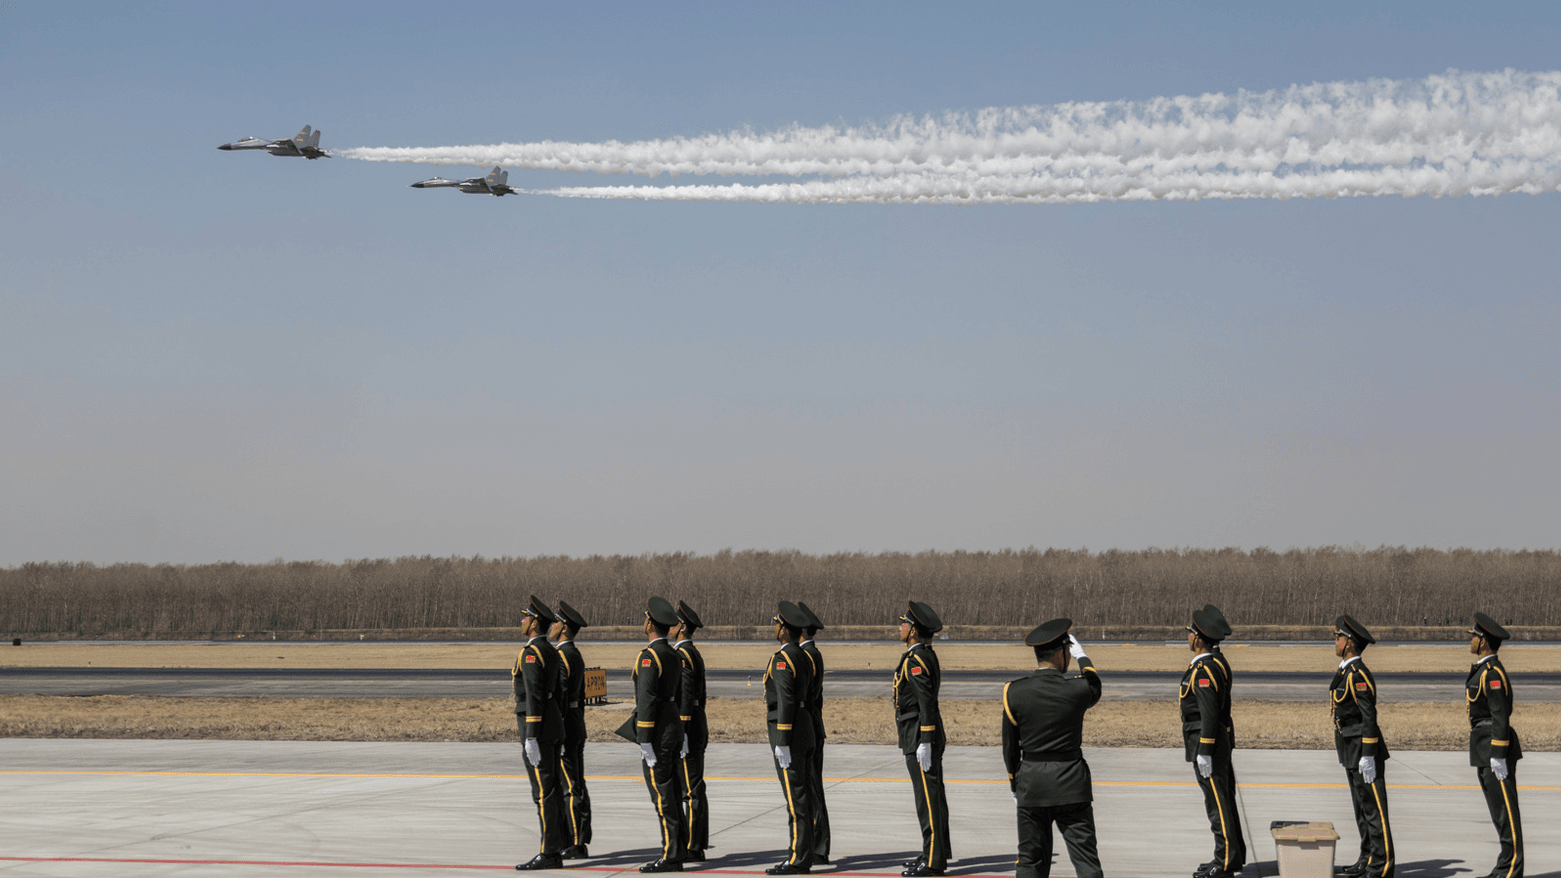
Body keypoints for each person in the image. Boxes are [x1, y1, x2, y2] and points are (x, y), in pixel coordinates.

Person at [1001, 618, 1103, 878]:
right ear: (1061, 654)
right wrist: (1083, 657)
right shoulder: (1077, 689)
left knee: (1030, 862)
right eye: (1068, 652)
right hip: (1071, 785)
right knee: (1086, 862)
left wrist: (1015, 782)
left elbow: (1010, 747)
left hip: (1032, 785)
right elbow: (1095, 685)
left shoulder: (1014, 692)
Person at [624, 597, 687, 873]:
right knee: (673, 791)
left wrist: (645, 739)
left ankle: (671, 855)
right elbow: (680, 696)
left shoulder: (649, 657)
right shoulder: (674, 654)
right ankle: (678, 848)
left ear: (650, 622)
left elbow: (647, 699)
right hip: (673, 728)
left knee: (663, 796)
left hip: (658, 733)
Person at [1181, 607, 1244, 878]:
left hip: (1208, 744)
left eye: (1190, 633)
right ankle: (1231, 853)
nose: (1188, 638)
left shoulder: (1205, 668)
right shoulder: (1215, 662)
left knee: (1217, 803)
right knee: (1223, 800)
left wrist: (1204, 749)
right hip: (1217, 742)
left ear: (1198, 638)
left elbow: (1208, 712)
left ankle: (1225, 858)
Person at [1331, 615, 1394, 878]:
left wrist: (1368, 754)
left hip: (1362, 749)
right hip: (1350, 748)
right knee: (1362, 809)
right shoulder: (1345, 671)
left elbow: (1369, 716)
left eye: (1338, 637)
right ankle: (1368, 856)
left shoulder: (1358, 675)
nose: (1335, 641)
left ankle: (1383, 864)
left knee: (1374, 810)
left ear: (1349, 643)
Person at [514, 596, 568, 871]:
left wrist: (531, 735)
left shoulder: (532, 652)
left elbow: (534, 695)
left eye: (525, 617)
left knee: (544, 791)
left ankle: (549, 852)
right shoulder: (550, 650)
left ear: (535, 623)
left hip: (538, 727)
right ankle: (558, 844)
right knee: (553, 789)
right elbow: (556, 694)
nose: (522, 621)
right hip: (552, 724)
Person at [764, 601, 819, 875]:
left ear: (785, 630)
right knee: (804, 797)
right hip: (805, 729)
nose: (775, 628)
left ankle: (798, 858)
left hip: (790, 733)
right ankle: (804, 854)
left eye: (777, 624)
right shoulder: (804, 656)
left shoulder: (784, 659)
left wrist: (782, 741)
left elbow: (785, 701)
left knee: (796, 799)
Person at [895, 601, 949, 878]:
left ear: (914, 630)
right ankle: (934, 849)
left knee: (927, 799)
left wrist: (925, 741)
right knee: (932, 798)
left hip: (919, 733)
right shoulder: (925, 654)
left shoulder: (915, 660)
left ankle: (933, 859)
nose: (901, 627)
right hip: (919, 731)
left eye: (905, 623)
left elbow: (926, 702)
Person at [1468, 612, 1523, 878]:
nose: (1472, 640)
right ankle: (1504, 865)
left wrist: (1499, 753)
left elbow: (1500, 713)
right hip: (1484, 746)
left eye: (1476, 636)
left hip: (1493, 746)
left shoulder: (1492, 673)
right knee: (1498, 813)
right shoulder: (1483, 670)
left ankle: (1512, 868)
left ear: (1485, 641)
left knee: (1506, 812)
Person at [553, 600, 594, 860]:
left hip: (567, 726)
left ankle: (576, 842)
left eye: (556, 622)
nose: (552, 626)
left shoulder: (562, 656)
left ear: (564, 627)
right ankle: (579, 837)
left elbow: (561, 697)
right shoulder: (575, 654)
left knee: (570, 786)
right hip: (577, 722)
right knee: (577, 782)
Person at [673, 601, 711, 861]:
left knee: (691, 789)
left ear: (682, 627)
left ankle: (693, 846)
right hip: (695, 721)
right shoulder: (690, 652)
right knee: (693, 786)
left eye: (673, 622)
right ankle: (694, 842)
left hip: (688, 726)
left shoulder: (684, 655)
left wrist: (683, 731)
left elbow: (686, 695)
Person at [796, 601, 831, 865]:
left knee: (813, 787)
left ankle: (818, 845)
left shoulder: (807, 655)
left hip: (809, 724)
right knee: (811, 786)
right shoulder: (810, 653)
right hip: (813, 723)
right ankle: (816, 843)